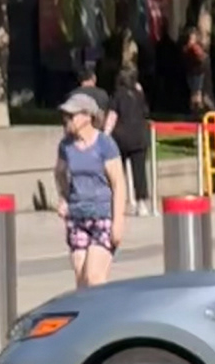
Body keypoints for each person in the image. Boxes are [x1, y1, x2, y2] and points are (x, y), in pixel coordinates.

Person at [55, 92, 127, 286]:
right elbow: (60, 172)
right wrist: (63, 197)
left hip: (102, 216)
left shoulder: (105, 145)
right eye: (65, 116)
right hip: (77, 217)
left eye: (71, 115)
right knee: (81, 280)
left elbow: (119, 183)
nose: (67, 120)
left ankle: (105, 316)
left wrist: (118, 221)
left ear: (87, 117)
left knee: (94, 277)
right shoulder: (66, 146)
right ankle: (89, 316)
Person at [110, 50, 152, 218]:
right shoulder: (139, 95)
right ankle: (141, 203)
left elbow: (112, 116)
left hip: (120, 137)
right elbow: (146, 112)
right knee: (139, 171)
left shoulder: (117, 95)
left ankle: (123, 201)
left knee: (119, 172)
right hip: (139, 136)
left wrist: (105, 134)